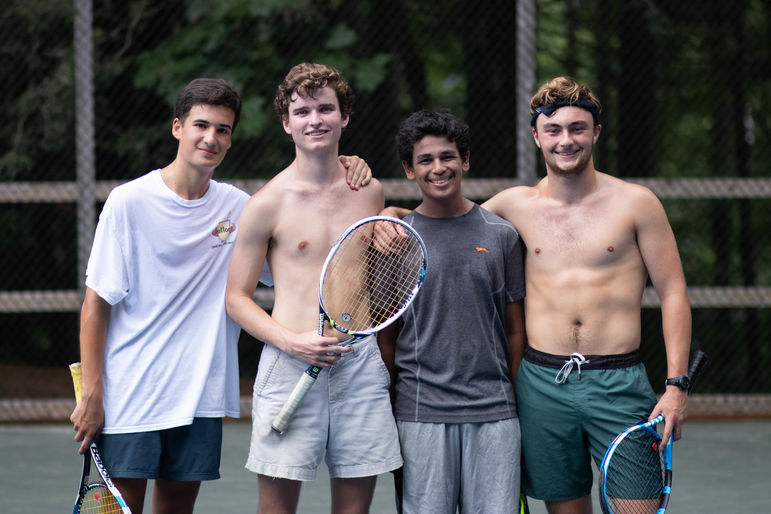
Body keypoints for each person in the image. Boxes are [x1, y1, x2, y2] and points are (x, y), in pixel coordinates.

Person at [383, 76, 692, 514]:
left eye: (577, 128)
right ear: (536, 136)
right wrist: (392, 214)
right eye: (553, 130)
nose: (566, 140)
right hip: (543, 383)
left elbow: (673, 292)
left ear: (596, 132)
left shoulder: (637, 203)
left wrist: (676, 385)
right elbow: (446, 219)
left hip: (619, 381)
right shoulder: (513, 206)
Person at [69, 77, 372, 514]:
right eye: (201, 125)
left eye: (223, 130)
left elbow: (297, 256)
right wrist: (92, 392)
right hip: (132, 395)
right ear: (178, 127)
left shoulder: (239, 207)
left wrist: (344, 165)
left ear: (230, 139)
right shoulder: (128, 202)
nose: (211, 138)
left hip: (200, 398)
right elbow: (96, 304)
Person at [224, 62, 401, 514]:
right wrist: (291, 342)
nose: (315, 120)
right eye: (302, 112)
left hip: (359, 365)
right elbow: (236, 299)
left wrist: (393, 216)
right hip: (289, 364)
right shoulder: (266, 204)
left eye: (325, 109)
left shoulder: (369, 191)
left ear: (344, 117)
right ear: (287, 123)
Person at [377, 109, 526, 513]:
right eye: (425, 160)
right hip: (419, 413)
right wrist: (390, 405)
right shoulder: (394, 239)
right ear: (409, 169)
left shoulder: (502, 235)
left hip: (495, 414)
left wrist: (515, 402)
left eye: (448, 156)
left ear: (466, 160)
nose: (438, 167)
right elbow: (386, 337)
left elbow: (515, 329)